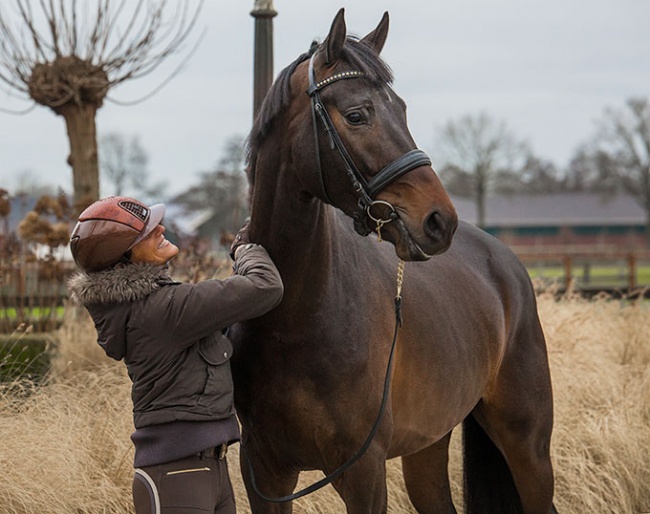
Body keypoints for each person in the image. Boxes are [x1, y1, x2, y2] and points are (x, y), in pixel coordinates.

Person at [67, 196, 283, 514]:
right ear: (124, 258)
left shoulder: (154, 306)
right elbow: (265, 285)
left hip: (207, 470)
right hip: (176, 477)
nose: (161, 229)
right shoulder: (162, 310)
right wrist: (245, 248)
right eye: (147, 232)